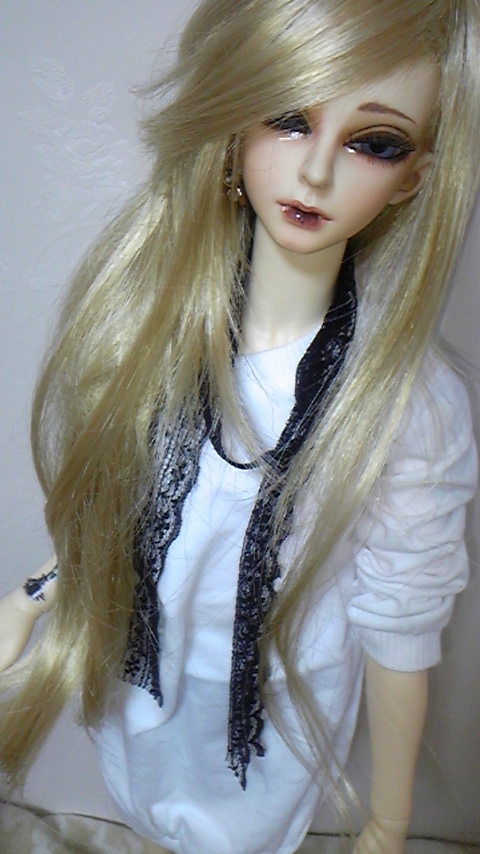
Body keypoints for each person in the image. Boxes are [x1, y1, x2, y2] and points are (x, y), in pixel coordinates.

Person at [0, 1, 479, 852]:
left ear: (413, 178)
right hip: (142, 689)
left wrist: (388, 821)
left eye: (375, 142)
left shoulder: (406, 403)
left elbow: (403, 618)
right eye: (289, 119)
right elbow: (130, 507)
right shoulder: (160, 325)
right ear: (234, 126)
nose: (317, 171)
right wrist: (30, 599)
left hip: (266, 730)